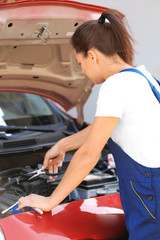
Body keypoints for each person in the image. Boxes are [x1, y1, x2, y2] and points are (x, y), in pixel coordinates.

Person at [18, 9, 160, 240]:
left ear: (92, 56)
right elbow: (108, 127)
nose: (82, 70)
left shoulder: (115, 86)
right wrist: (64, 145)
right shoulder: (142, 78)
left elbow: (88, 155)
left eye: (79, 61)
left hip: (150, 196)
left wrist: (51, 200)